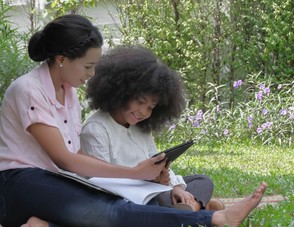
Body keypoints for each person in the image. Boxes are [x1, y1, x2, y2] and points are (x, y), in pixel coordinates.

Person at [0, 14, 268, 227]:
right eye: (88, 66)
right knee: (109, 209)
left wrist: (155, 179)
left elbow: (75, 155)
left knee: (109, 206)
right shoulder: (29, 89)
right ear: (62, 60)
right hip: (18, 184)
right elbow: (65, 159)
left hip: (55, 181)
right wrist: (134, 173)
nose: (92, 74)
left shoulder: (68, 93)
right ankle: (212, 219)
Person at [80, 46, 224, 212]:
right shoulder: (95, 129)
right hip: (127, 196)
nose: (143, 112)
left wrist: (173, 186)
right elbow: (100, 182)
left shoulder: (141, 128)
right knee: (150, 203)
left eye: (151, 107)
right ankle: (198, 209)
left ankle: (190, 209)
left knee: (202, 180)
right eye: (140, 102)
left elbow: (159, 164)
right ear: (121, 92)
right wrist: (145, 178)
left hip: (153, 189)